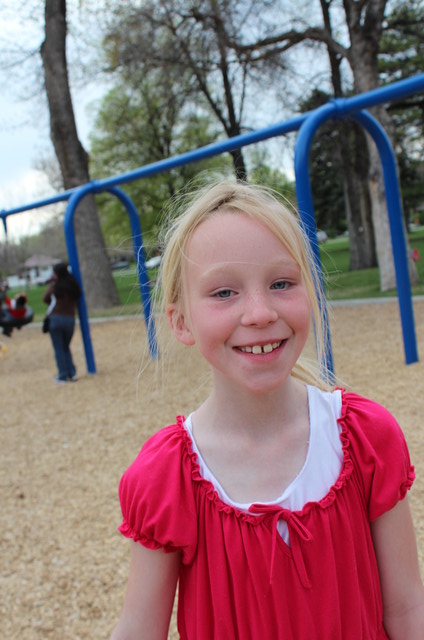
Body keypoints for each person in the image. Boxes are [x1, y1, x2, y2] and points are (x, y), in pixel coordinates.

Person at [110, 180, 424, 639]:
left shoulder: (366, 438)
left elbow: (407, 608)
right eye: (223, 293)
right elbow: (140, 629)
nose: (259, 313)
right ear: (180, 322)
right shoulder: (167, 477)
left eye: (281, 283)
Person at [43, 262, 81, 384]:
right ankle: (72, 373)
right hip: (70, 319)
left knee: (59, 348)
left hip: (56, 318)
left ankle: (63, 375)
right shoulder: (74, 285)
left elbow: (45, 298)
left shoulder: (55, 286)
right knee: (65, 346)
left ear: (56, 274)